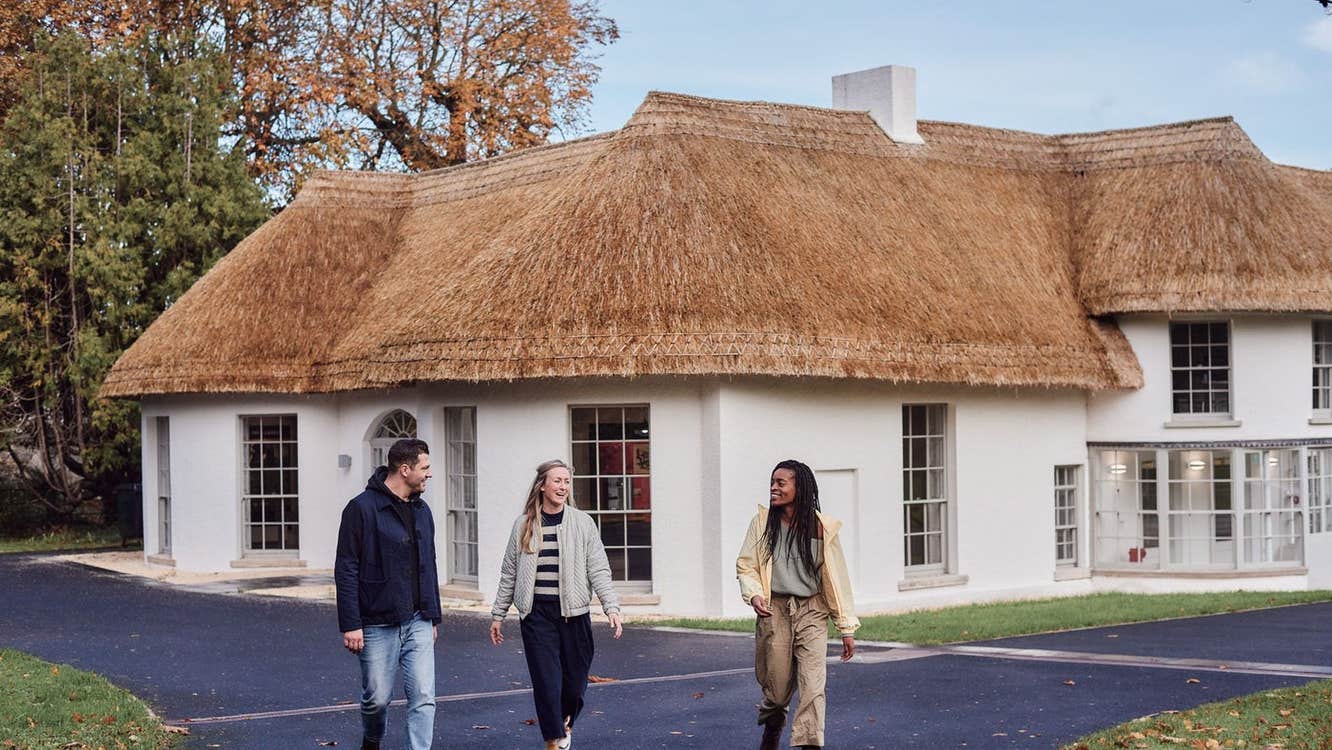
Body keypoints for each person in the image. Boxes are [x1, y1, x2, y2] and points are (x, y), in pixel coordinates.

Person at [489, 459, 624, 750]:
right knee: (547, 682)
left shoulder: (582, 522)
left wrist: (610, 606)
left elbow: (598, 568)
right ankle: (554, 739)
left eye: (566, 482)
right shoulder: (523, 524)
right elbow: (509, 572)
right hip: (537, 616)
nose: (563, 487)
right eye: (557, 481)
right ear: (542, 485)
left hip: (574, 615)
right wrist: (498, 614)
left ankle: (563, 723)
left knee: (574, 685)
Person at [736, 459, 860, 750]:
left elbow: (836, 581)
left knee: (813, 687)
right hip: (775, 609)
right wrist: (754, 594)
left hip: (812, 611)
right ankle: (772, 729)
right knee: (777, 693)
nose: (773, 488)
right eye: (772, 482)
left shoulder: (822, 529)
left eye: (781, 483)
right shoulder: (762, 523)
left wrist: (846, 627)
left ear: (799, 487)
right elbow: (747, 566)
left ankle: (809, 744)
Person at [335, 438, 442, 750]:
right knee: (377, 699)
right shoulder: (361, 509)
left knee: (423, 696)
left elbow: (428, 565)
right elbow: (347, 568)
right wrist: (351, 624)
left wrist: (433, 615)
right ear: (405, 469)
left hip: (419, 620)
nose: (429, 474)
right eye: (425, 468)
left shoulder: (423, 511)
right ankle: (372, 739)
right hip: (377, 622)